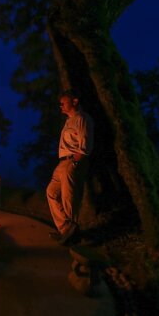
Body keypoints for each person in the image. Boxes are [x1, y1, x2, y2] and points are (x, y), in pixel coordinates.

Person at [46, 89, 94, 245]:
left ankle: (71, 234)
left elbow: (85, 144)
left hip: (72, 161)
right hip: (63, 162)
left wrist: (75, 162)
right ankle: (66, 228)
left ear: (74, 101)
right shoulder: (68, 122)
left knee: (69, 197)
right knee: (51, 192)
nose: (60, 105)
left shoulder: (82, 118)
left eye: (63, 102)